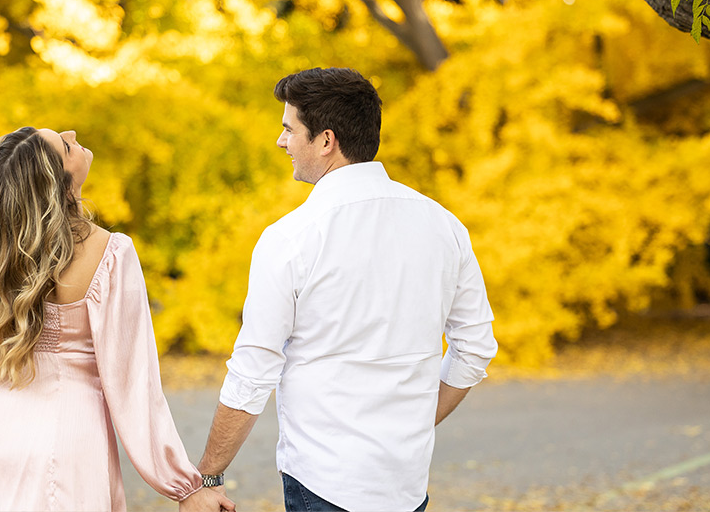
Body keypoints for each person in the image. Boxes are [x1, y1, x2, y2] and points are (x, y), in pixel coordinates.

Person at [196, 68, 498, 512]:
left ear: (325, 140)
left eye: (288, 128)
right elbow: (475, 349)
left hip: (323, 481)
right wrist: (413, 423)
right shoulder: (444, 225)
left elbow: (254, 369)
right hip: (407, 485)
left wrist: (208, 477)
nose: (282, 141)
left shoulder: (291, 238)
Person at [0, 126, 234, 512]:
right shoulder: (109, 254)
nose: (72, 132)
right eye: (67, 145)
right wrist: (185, 487)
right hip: (67, 443)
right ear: (61, 183)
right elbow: (132, 385)